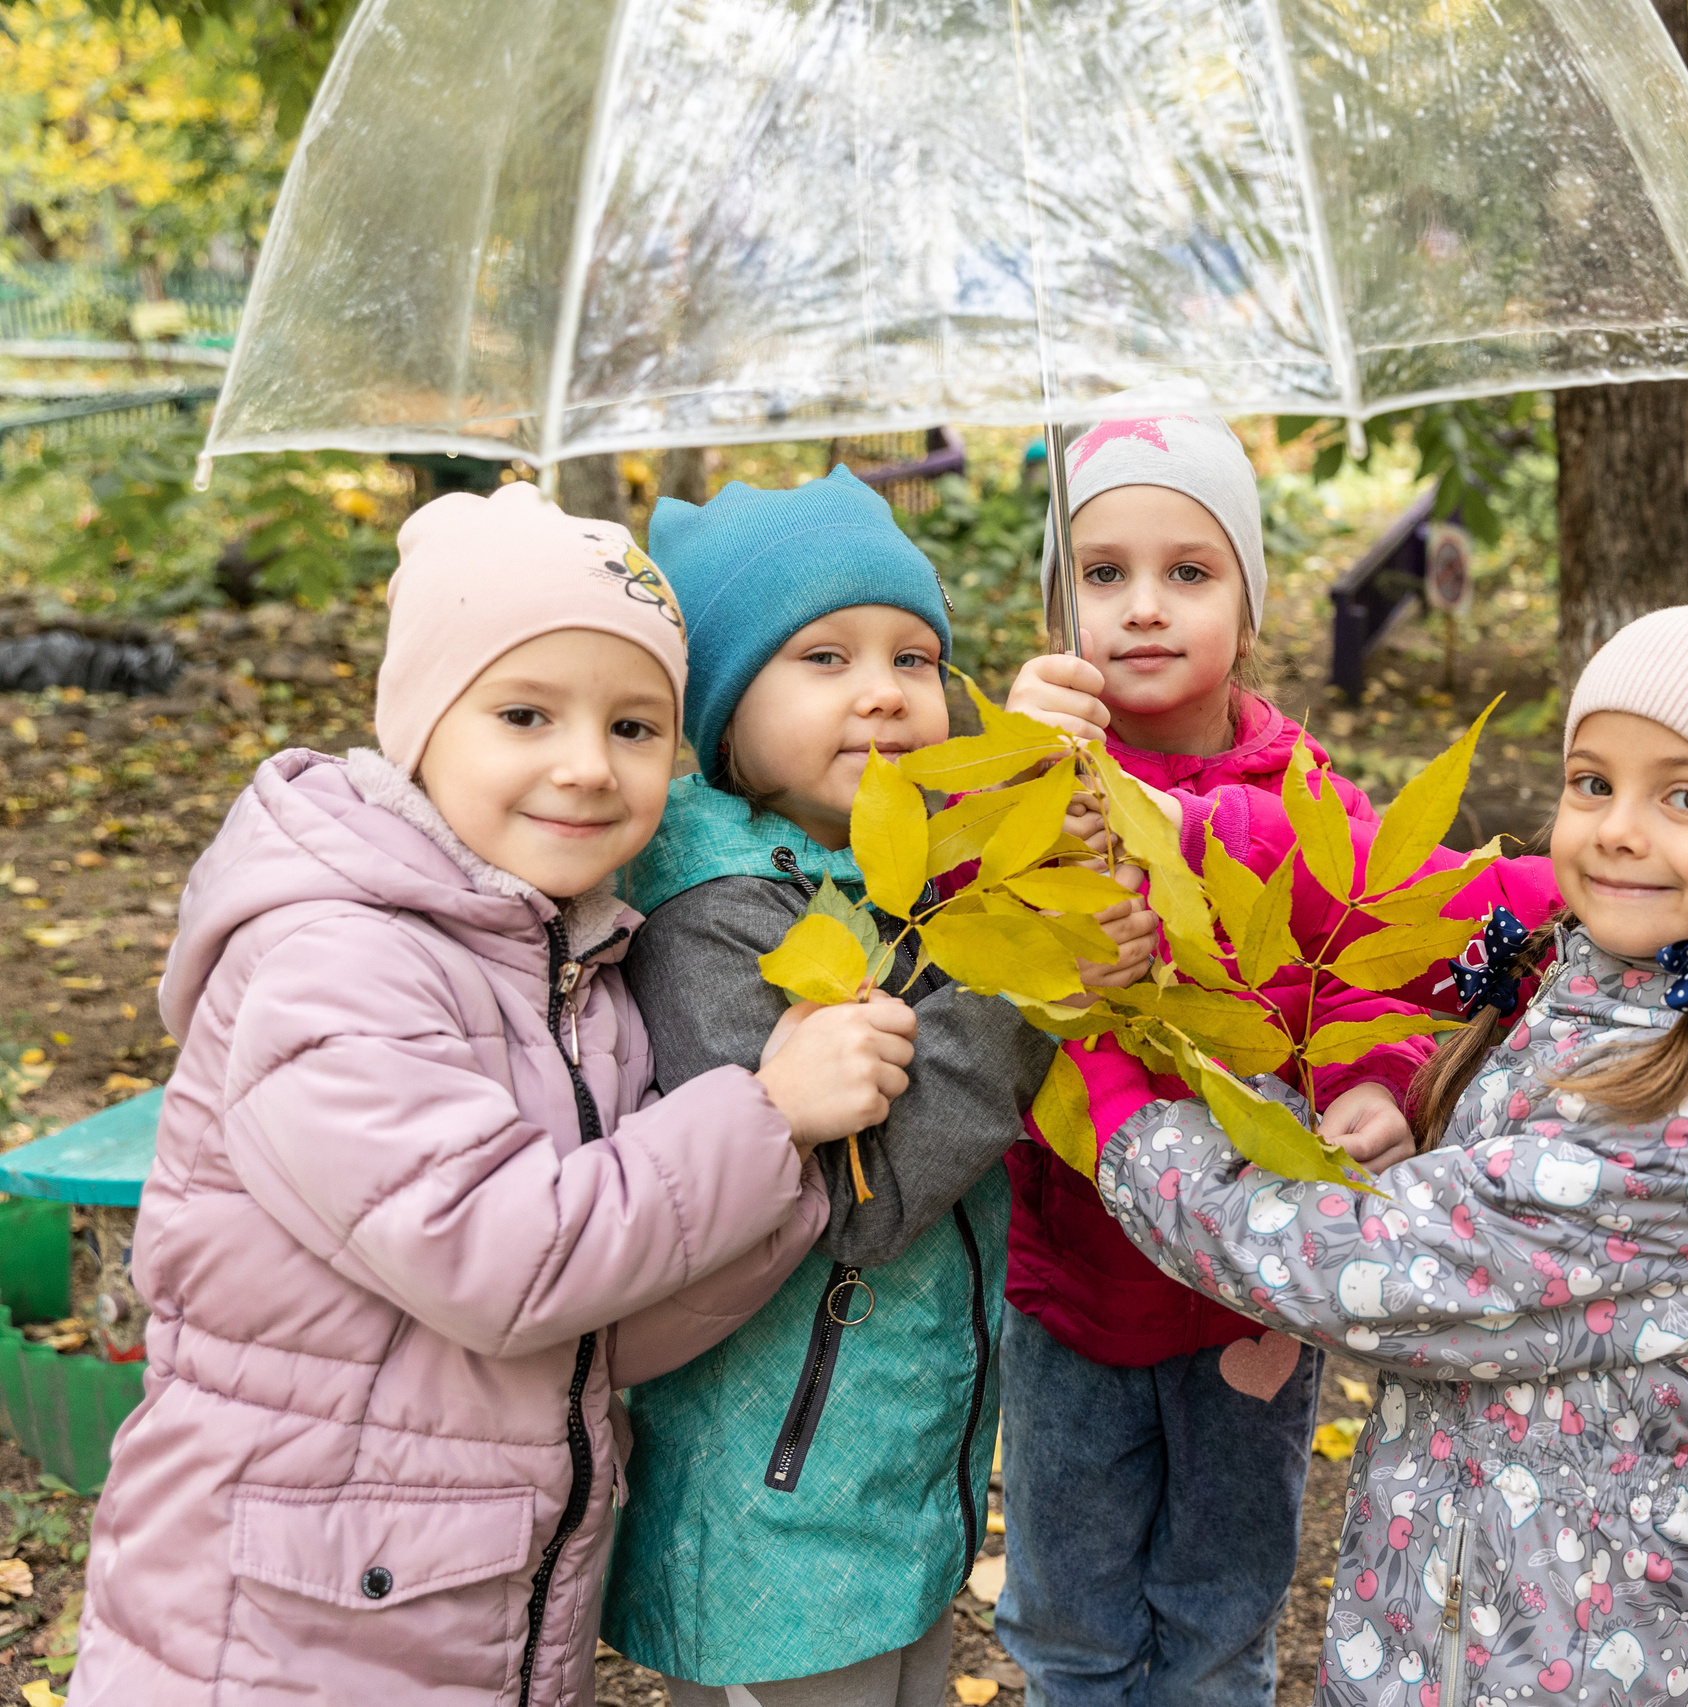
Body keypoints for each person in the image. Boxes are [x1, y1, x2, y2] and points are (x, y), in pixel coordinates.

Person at [70, 483, 909, 1706]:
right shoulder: (333, 962)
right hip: (281, 1632)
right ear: (420, 724)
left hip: (465, 1611)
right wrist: (764, 1114)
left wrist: (784, 1183)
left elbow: (609, 1325)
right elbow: (503, 1263)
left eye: (634, 728)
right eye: (525, 712)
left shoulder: (571, 966)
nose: (585, 765)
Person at [1052, 598, 1688, 1706]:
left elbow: (1346, 1262)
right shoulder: (1617, 986)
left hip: (1563, 1657)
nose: (1619, 827)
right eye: (1592, 782)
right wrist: (1394, 1098)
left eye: (1686, 796)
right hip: (1466, 1600)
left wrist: (1107, 1080)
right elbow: (1440, 968)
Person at [599, 467, 1152, 1707]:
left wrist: (1047, 870)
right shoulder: (711, 924)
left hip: (895, 1477)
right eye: (824, 657)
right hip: (772, 1515)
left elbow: (967, 1004)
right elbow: (858, 1197)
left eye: (914, 657)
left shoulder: (893, 874)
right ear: (724, 713)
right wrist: (1026, 980)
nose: (883, 692)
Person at [996, 407, 1417, 1706]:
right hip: (1076, 1277)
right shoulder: (1037, 772)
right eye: (1103, 573)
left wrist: (1371, 1083)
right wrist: (1014, 778)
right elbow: (964, 922)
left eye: (1189, 570)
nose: (1142, 606)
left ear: (1249, 600)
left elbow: (1362, 958)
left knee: (1223, 1598)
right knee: (1072, 1600)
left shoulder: (1302, 791)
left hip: (1248, 1295)